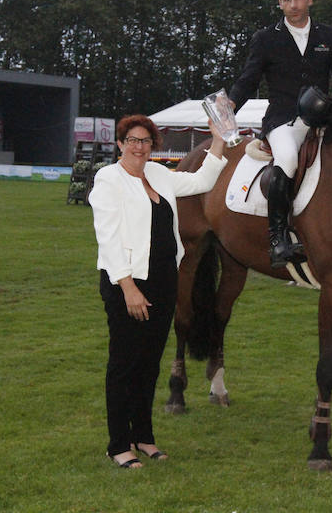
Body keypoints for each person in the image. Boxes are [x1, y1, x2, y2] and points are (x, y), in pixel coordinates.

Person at [89, 114, 227, 469]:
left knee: (150, 363)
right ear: (120, 144)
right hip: (128, 284)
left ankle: (144, 436)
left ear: (153, 146)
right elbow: (108, 237)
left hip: (165, 281)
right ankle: (119, 444)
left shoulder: (159, 174)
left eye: (146, 141)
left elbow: (202, 179)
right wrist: (128, 287)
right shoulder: (108, 179)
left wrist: (219, 138)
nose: (139, 147)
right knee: (124, 364)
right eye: (132, 140)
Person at [228, 0, 332, 268]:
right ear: (280, 3)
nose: (294, 4)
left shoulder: (329, 37)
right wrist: (230, 105)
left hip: (323, 118)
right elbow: (248, 80)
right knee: (286, 159)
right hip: (283, 121)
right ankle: (278, 238)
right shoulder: (265, 39)